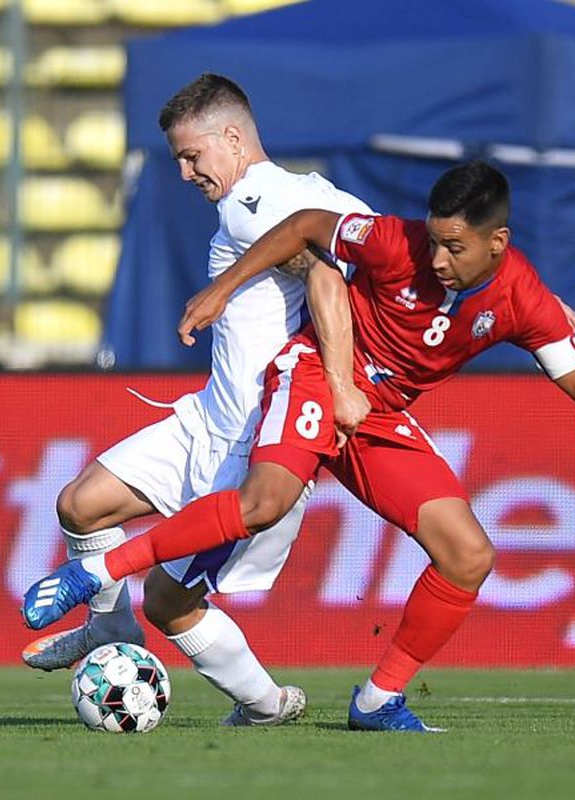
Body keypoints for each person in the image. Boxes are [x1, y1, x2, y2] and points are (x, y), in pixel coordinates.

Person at [23, 160, 575, 732]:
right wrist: (224, 288)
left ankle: (378, 700)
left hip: (379, 416)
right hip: (315, 374)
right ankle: (99, 569)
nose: (436, 258)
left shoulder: (525, 298)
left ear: (499, 242)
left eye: (454, 247)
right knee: (265, 502)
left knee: (469, 556)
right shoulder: (393, 241)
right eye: (434, 241)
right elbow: (307, 225)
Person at [20, 73, 377, 727]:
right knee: (81, 505)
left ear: (233, 138)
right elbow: (352, 247)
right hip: (208, 416)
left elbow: (327, 274)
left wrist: (344, 384)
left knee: (167, 601)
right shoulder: (305, 194)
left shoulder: (260, 201)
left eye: (193, 156)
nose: (186, 173)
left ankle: (264, 704)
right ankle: (109, 638)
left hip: (249, 445)